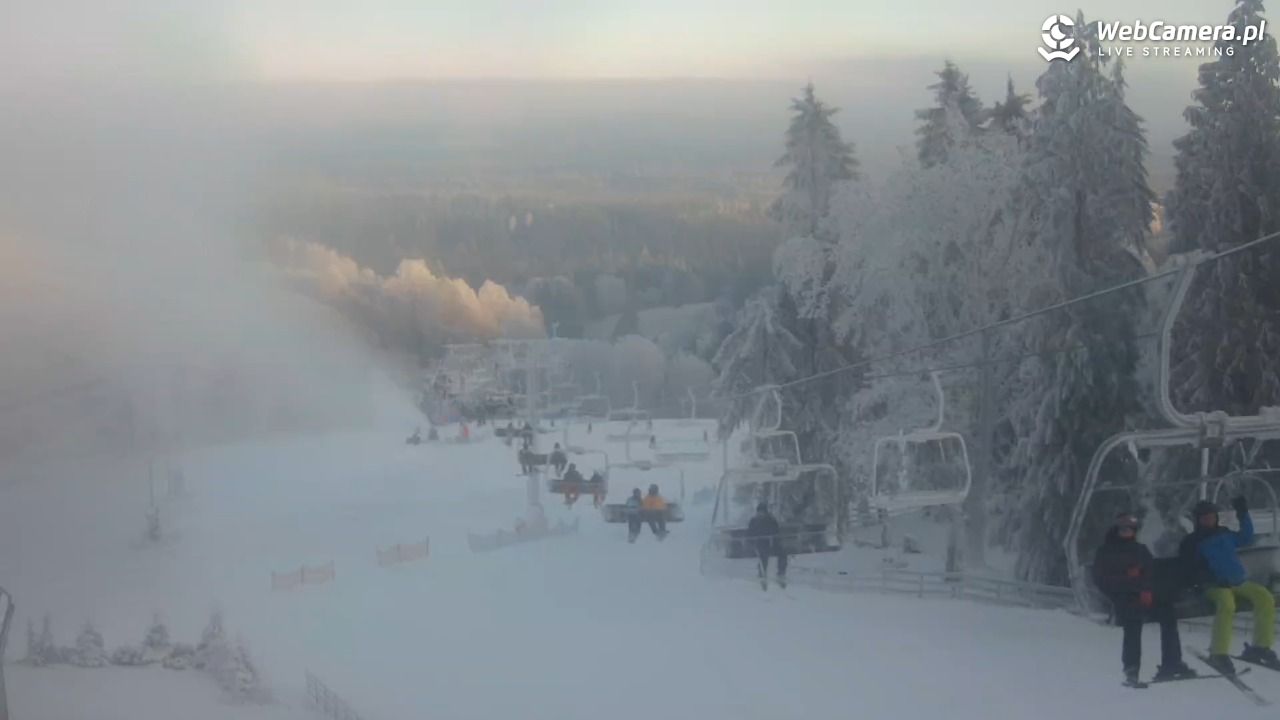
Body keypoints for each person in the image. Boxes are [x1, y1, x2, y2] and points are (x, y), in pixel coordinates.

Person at [1093, 512, 1194, 685]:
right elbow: (1102, 579)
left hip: (1143, 595)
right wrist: (1127, 578)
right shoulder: (1106, 552)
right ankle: (1131, 669)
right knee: (1133, 623)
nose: (1126, 532)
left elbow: (1149, 572)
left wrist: (1147, 590)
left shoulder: (1140, 550)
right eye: (1123, 529)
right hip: (1123, 597)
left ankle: (1171, 662)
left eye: (1130, 529)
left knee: (1168, 614)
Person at [1179, 498, 1279, 673]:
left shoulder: (1224, 533)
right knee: (1226, 604)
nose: (1208, 520)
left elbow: (1246, 538)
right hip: (1213, 586)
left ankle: (1260, 647)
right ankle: (1219, 653)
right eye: (1204, 518)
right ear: (1198, 520)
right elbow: (1188, 568)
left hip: (1237, 582)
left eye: (1211, 517)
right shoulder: (1192, 542)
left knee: (1264, 597)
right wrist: (1207, 580)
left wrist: (1243, 513)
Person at [746, 502, 787, 589]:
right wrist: (752, 542)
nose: (760, 514)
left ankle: (781, 572)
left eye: (762, 512)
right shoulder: (754, 521)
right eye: (759, 512)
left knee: (782, 552)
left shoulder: (771, 520)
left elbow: (776, 531)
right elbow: (750, 534)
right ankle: (762, 573)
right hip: (760, 543)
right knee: (763, 554)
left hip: (772, 543)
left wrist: (776, 540)